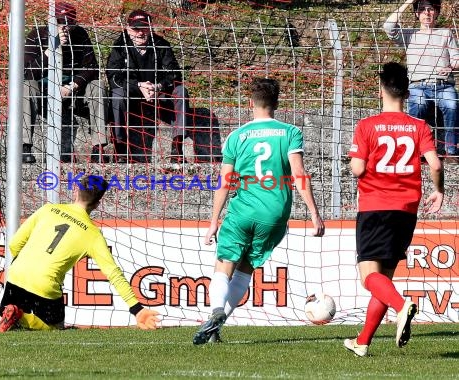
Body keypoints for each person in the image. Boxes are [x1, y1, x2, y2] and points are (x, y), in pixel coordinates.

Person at [0, 175, 160, 333]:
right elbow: (114, 274)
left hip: (17, 275)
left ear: (75, 191)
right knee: (54, 328)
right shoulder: (92, 233)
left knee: (1, 323)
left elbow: (15, 243)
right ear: (98, 204)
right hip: (44, 285)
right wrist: (136, 309)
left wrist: (24, 265)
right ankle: (19, 315)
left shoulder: (48, 209)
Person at [193, 78, 325, 345]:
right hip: (275, 215)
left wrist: (213, 221)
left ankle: (216, 311)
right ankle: (216, 330)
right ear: (276, 103)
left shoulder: (236, 137)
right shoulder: (290, 132)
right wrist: (314, 213)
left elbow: (224, 182)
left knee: (224, 266)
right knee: (246, 269)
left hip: (242, 211)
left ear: (250, 103)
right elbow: (299, 174)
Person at [344, 62, 444, 357]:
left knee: (369, 276)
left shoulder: (367, 126)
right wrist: (438, 190)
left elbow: (358, 168)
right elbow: (435, 163)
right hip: (406, 209)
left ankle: (402, 306)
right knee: (384, 279)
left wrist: (357, 165)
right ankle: (362, 342)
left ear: (380, 90)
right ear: (408, 92)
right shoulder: (419, 126)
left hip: (375, 206)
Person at [22, 2, 109, 164]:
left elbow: (91, 68)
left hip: (73, 92)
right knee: (26, 86)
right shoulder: (36, 35)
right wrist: (49, 51)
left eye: (68, 23)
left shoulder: (80, 35)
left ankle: (99, 148)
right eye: (59, 22)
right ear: (50, 21)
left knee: (98, 85)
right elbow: (27, 72)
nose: (64, 27)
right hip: (44, 93)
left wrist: (73, 86)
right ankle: (24, 145)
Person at [106, 9, 190, 163]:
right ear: (128, 29)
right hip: (131, 95)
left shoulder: (161, 45)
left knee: (180, 91)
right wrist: (138, 86)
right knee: (117, 95)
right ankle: (120, 148)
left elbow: (175, 74)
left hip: (158, 93)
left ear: (151, 28)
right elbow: (113, 77)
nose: (140, 33)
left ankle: (177, 146)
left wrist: (157, 86)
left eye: (144, 28)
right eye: (136, 29)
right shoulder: (119, 46)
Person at [384, 0, 459, 158]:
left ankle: (451, 151)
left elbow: (456, 58)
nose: (427, 13)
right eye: (422, 10)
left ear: (437, 12)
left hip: (444, 85)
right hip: (418, 86)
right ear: (417, 14)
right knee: (418, 106)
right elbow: (388, 26)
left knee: (452, 105)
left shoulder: (446, 33)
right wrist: (407, 2)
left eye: (431, 9)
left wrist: (452, 66)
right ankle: (417, 149)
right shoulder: (409, 35)